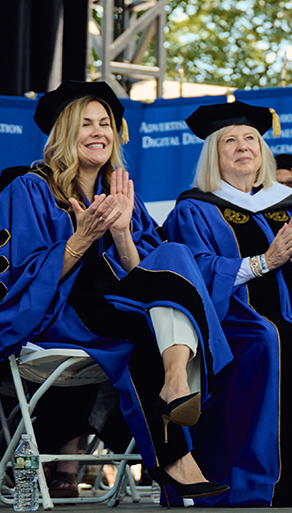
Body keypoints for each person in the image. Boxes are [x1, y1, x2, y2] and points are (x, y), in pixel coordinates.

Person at [0, 81, 231, 503]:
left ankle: (177, 380)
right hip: (62, 309)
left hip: (118, 299)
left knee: (174, 255)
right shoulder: (28, 188)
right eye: (85, 123)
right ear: (64, 134)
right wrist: (79, 240)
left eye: (105, 123)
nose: (98, 132)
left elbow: (142, 269)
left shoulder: (121, 192)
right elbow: (19, 276)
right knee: (140, 334)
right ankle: (176, 458)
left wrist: (123, 232)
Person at [163, 101, 292, 506]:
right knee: (275, 341)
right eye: (230, 140)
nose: (243, 146)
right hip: (235, 318)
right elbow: (196, 273)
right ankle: (284, 474)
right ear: (214, 154)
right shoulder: (195, 208)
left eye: (251, 139)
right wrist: (264, 262)